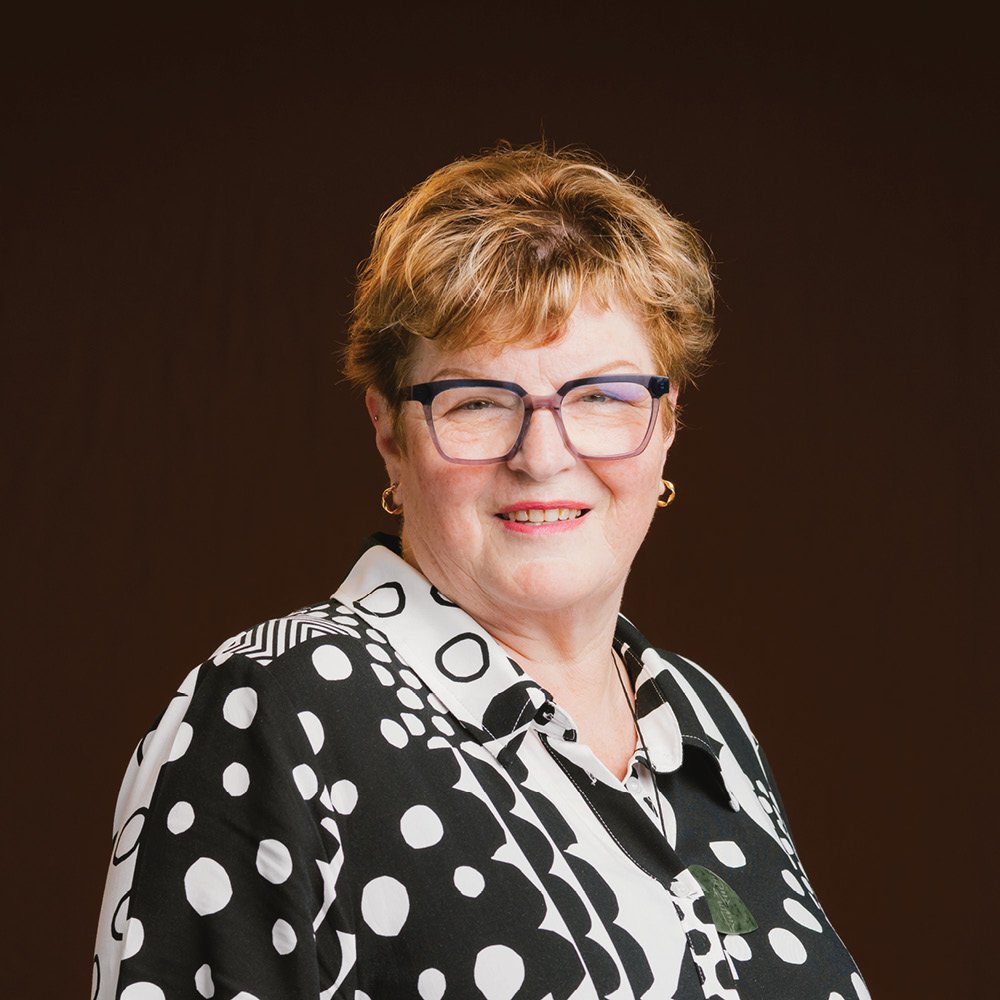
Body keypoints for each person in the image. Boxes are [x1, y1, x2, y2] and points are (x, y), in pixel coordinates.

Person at [93, 145, 868, 1000]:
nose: (543, 456)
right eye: (478, 402)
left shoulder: (703, 724)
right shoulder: (278, 707)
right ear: (390, 431)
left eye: (603, 397)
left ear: (667, 422)